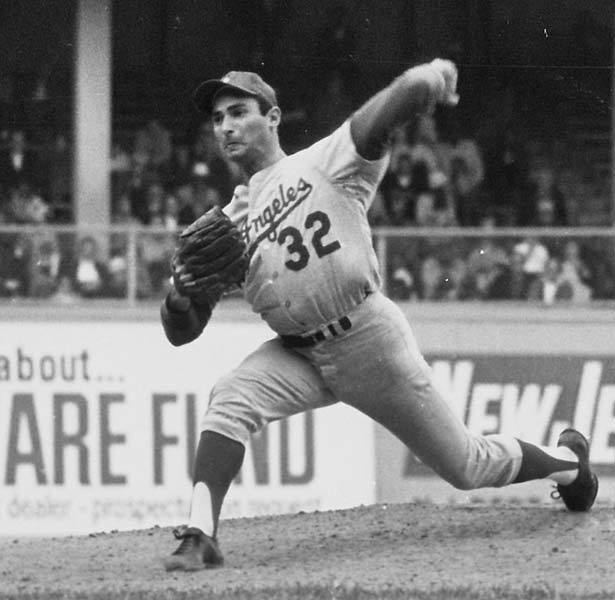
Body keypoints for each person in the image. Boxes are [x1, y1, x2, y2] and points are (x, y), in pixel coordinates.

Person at [160, 62, 599, 571]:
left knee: (466, 465)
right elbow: (182, 331)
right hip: (297, 355)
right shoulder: (228, 223)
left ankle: (569, 463)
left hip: (366, 338)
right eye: (217, 119)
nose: (226, 127)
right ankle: (199, 534)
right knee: (231, 396)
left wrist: (425, 82)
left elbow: (382, 115)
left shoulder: (323, 162)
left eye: (239, 112)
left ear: (273, 117)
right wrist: (179, 299)